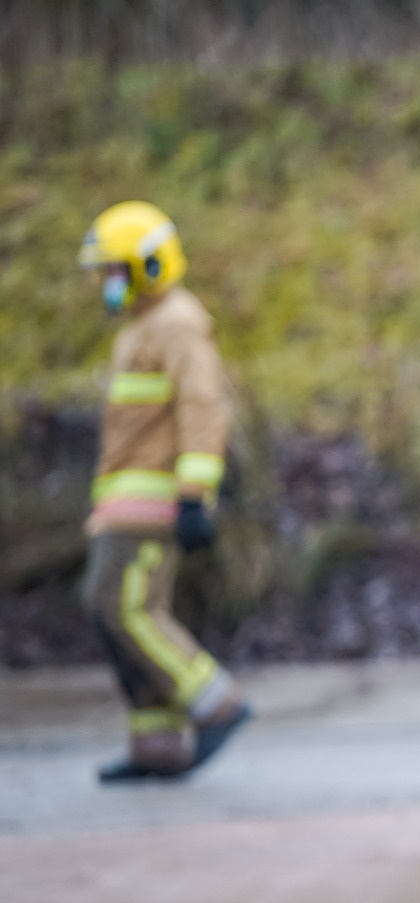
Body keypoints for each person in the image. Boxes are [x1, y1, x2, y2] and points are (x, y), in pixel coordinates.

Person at [77, 201, 250, 784]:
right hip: (123, 506)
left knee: (123, 606)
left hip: (151, 507)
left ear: (149, 267)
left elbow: (203, 406)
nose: (106, 282)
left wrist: (194, 495)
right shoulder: (141, 327)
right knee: (111, 612)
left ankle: (216, 703)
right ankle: (155, 742)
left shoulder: (176, 322)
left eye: (116, 269)